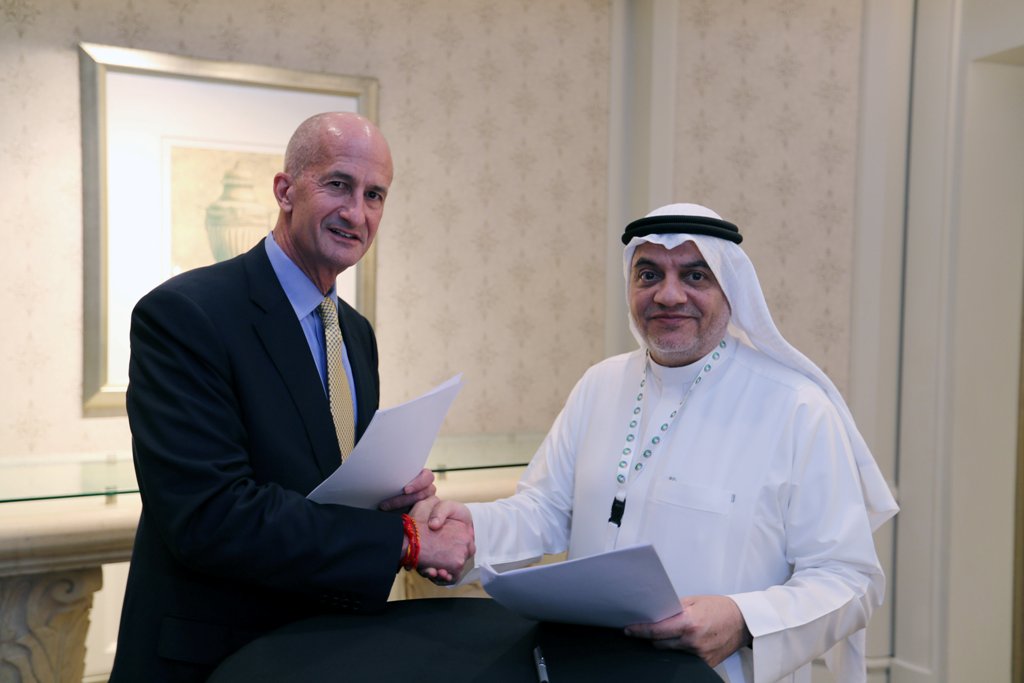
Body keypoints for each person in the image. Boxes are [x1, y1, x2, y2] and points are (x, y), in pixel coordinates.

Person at [417, 203, 898, 683]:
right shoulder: (600, 384)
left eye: (695, 276)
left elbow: (849, 579)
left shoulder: (796, 408)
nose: (669, 295)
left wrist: (743, 620)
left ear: (730, 288)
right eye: (648, 275)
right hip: (586, 666)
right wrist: (472, 528)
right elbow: (545, 510)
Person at [110, 112, 474, 682]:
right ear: (285, 190)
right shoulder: (184, 315)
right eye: (338, 185)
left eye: (374, 195)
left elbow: (320, 487)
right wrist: (402, 542)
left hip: (325, 650)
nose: (357, 213)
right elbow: (211, 516)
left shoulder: (354, 332)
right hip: (214, 658)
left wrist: (396, 495)